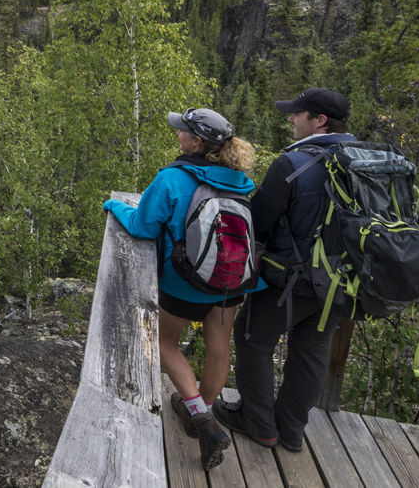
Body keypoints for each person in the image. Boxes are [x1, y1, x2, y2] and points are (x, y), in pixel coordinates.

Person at [103, 107, 259, 471]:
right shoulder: (240, 180)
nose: (178, 135)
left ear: (197, 141)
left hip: (184, 282)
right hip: (231, 282)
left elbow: (142, 226)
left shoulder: (172, 180)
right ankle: (199, 412)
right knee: (219, 350)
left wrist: (115, 206)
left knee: (164, 343)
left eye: (183, 132)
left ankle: (201, 418)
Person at [213, 88, 355, 453]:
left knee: (252, 338)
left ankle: (258, 423)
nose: (291, 119)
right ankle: (291, 430)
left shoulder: (293, 164)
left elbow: (258, 219)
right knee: (312, 351)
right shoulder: (361, 158)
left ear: (319, 120)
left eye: (298, 113)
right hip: (344, 281)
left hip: (294, 281)